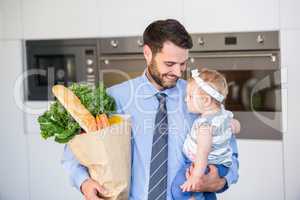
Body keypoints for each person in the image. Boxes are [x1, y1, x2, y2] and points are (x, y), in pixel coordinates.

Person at [62, 19, 239, 200]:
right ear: (147, 53)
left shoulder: (200, 97)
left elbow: (231, 159)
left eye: (183, 64)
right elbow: (74, 156)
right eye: (169, 64)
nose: (178, 72)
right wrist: (85, 183)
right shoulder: (113, 99)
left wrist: (218, 181)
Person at [171, 68, 234, 200]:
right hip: (221, 164)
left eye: (189, 96)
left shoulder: (204, 126)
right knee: (207, 191)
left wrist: (195, 177)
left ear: (206, 100)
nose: (185, 100)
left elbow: (202, 153)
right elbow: (236, 126)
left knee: (179, 188)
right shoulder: (224, 114)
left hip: (205, 165)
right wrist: (232, 127)